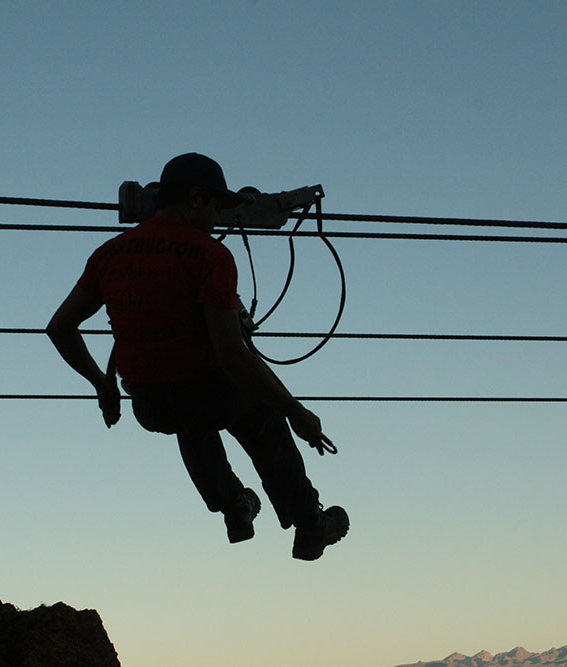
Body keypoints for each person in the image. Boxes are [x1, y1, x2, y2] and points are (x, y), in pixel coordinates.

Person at [46, 152, 349, 561]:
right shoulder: (210, 256)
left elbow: (61, 327)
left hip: (150, 405)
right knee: (260, 414)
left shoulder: (108, 255)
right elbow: (231, 353)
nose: (217, 218)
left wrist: (103, 385)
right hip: (210, 391)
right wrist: (297, 412)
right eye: (216, 206)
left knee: (189, 418)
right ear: (194, 198)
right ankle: (309, 525)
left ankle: (233, 506)